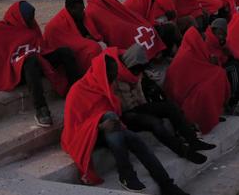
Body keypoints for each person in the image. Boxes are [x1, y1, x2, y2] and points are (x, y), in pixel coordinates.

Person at [61, 49, 188, 194]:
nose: (114, 79)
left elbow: (115, 112)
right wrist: (100, 126)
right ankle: (126, 173)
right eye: (111, 75)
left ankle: (167, 185)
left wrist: (107, 122)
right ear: (103, 74)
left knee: (136, 141)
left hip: (109, 129)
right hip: (85, 136)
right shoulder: (78, 90)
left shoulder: (104, 85)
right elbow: (74, 127)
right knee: (111, 121)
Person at [0, 1, 81, 127]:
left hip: (37, 60)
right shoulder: (0, 30)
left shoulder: (31, 26)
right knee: (30, 61)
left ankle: (76, 92)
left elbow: (39, 47)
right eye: (29, 18)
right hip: (14, 72)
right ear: (19, 18)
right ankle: (41, 109)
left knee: (65, 52)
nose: (32, 20)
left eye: (33, 17)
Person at [114, 45, 215, 164]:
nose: (138, 73)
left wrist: (150, 108)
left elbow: (140, 95)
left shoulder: (135, 72)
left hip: (138, 106)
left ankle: (193, 140)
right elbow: (124, 105)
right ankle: (183, 151)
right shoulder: (116, 76)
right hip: (125, 113)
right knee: (155, 123)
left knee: (170, 107)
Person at [164, 27, 231, 134]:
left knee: (219, 74)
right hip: (183, 94)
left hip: (193, 84)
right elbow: (182, 82)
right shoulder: (186, 54)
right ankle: (202, 120)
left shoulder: (193, 49)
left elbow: (201, 68)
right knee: (206, 90)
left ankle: (213, 114)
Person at [86, 0, 166, 60]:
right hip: (116, 44)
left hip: (128, 31)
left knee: (150, 29)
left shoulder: (105, 1)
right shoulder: (94, 9)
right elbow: (113, 27)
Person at [44, 0, 105, 71]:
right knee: (94, 48)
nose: (83, 12)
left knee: (101, 46)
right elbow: (69, 43)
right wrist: (88, 41)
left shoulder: (82, 17)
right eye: (80, 10)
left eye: (83, 9)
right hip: (71, 53)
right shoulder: (55, 25)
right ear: (71, 9)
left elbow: (94, 35)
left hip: (84, 45)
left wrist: (92, 38)